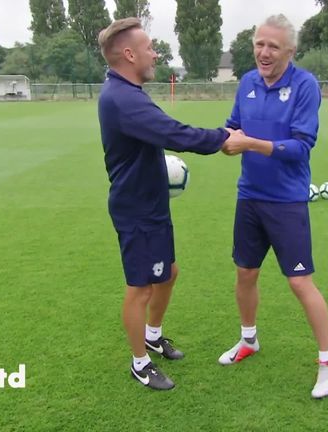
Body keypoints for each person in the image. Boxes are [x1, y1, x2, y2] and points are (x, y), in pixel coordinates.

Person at [97, 17, 238, 391]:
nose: (155, 54)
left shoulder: (128, 92)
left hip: (150, 204)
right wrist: (223, 137)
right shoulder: (123, 99)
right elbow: (174, 133)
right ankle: (140, 363)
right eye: (149, 48)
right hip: (136, 209)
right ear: (130, 54)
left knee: (168, 273)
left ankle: (153, 335)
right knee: (140, 288)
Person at [219, 14, 328, 399]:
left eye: (273, 46)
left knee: (299, 281)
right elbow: (233, 126)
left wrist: (250, 144)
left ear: (290, 50)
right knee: (245, 272)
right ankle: (248, 339)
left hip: (287, 200)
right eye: (259, 44)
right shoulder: (247, 82)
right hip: (249, 196)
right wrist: (221, 139)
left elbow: (301, 147)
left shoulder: (305, 85)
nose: (264, 52)